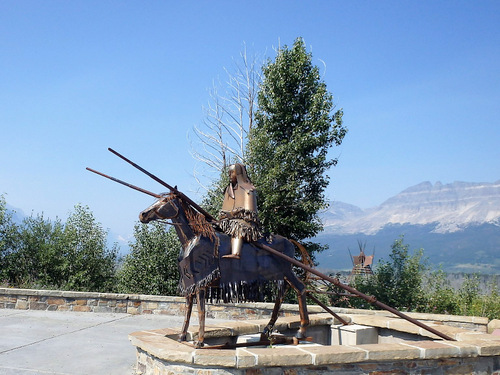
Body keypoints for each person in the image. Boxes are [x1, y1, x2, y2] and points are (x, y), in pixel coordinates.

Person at [218, 163, 262, 259]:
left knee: (237, 226)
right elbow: (224, 210)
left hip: (246, 222)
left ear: (238, 174)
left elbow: (251, 212)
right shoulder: (228, 190)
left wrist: (235, 213)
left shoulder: (248, 189)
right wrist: (225, 216)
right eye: (228, 173)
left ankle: (236, 253)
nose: (229, 175)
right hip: (229, 220)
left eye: (232, 172)